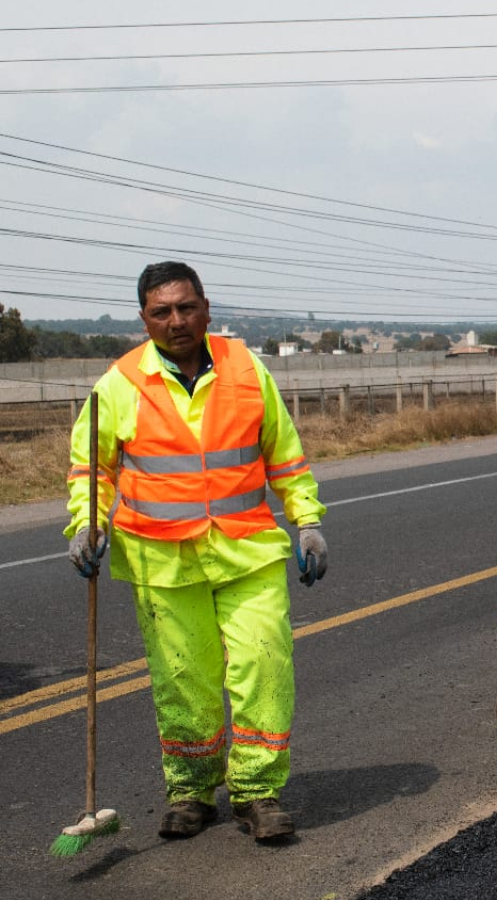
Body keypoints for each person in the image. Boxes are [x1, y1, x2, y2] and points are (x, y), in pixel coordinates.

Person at [65, 261, 328, 842]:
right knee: (184, 680)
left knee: (264, 663)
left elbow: (284, 454)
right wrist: (87, 525)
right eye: (162, 311)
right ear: (144, 319)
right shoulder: (119, 384)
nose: (176, 320)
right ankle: (190, 791)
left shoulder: (246, 368)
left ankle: (256, 792)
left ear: (206, 309)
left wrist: (307, 521)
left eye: (186, 308)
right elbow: (92, 468)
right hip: (161, 560)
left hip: (247, 550)